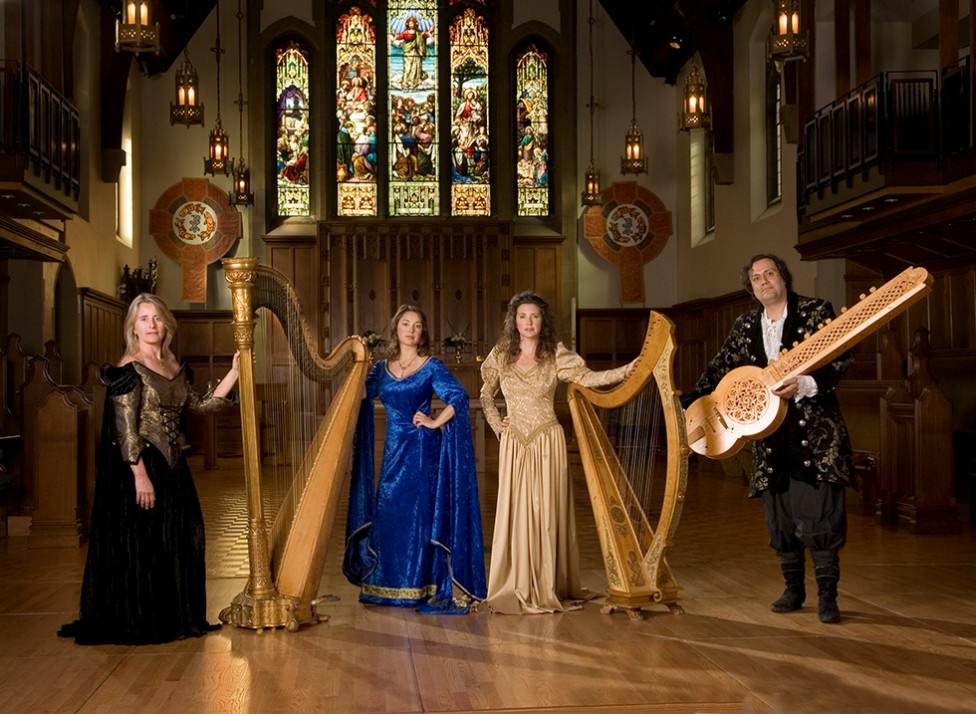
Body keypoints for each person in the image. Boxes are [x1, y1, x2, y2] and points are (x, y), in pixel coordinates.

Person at [59, 293, 239, 644]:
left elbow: (201, 406)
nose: (152, 325)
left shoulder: (174, 366)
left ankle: (177, 616)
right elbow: (125, 429)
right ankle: (147, 621)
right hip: (142, 465)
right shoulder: (129, 369)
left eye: (156, 317)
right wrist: (140, 476)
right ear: (133, 328)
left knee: (186, 534)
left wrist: (234, 372)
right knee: (147, 545)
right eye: (143, 319)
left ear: (166, 324)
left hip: (173, 464)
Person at [684, 254, 855, 624]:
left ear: (783, 277)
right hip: (770, 437)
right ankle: (793, 589)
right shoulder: (746, 324)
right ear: (751, 287)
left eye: (769, 274)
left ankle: (828, 597)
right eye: (756, 278)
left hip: (815, 434)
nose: (764, 281)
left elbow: (841, 357)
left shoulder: (813, 312)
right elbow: (720, 368)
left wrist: (807, 383)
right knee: (781, 518)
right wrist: (688, 405)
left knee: (821, 517)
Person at [479, 291, 635, 614]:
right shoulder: (501, 354)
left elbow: (589, 379)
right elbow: (485, 395)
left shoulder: (556, 355)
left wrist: (624, 372)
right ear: (514, 321)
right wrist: (498, 425)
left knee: (546, 515)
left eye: (534, 316)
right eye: (522, 317)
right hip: (514, 443)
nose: (528, 322)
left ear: (543, 320)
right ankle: (517, 582)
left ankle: (547, 583)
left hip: (548, 441)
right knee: (516, 513)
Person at [343, 305, 486, 613]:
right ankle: (387, 585)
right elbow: (359, 396)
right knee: (389, 513)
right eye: (405, 324)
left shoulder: (431, 366)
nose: (411, 329)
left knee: (419, 519)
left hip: (422, 451)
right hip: (394, 453)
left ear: (422, 333)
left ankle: (421, 585)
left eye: (417, 325)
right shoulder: (381, 369)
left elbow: (458, 397)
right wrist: (359, 357)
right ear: (396, 329)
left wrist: (435, 422)